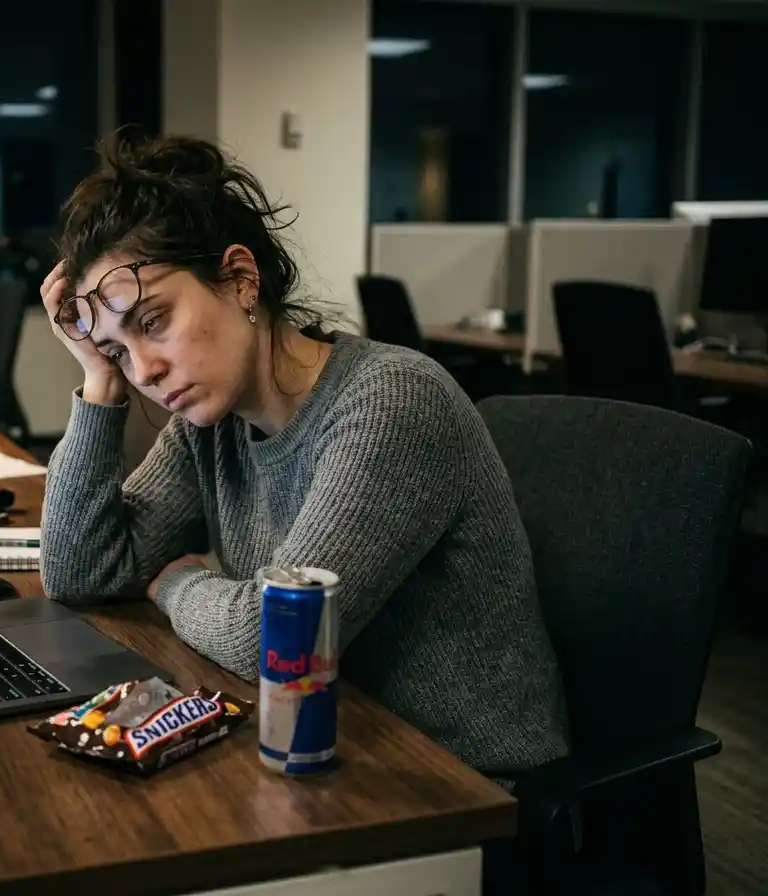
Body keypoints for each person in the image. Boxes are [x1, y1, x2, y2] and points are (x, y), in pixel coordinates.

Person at [37, 133, 571, 789]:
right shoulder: (210, 423)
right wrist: (97, 381)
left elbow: (270, 637)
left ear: (241, 280)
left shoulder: (392, 402)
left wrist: (175, 583)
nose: (143, 369)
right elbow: (80, 572)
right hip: (327, 746)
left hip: (462, 785)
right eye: (119, 350)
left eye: (153, 322)